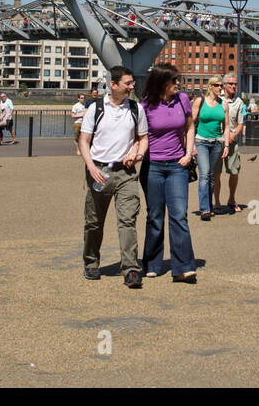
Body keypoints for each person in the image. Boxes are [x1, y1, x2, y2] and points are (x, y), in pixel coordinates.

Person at [78, 66, 148, 287]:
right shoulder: (95, 109)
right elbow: (84, 141)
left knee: (127, 220)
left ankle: (130, 268)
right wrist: (91, 167)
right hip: (99, 171)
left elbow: (143, 138)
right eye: (127, 83)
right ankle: (91, 262)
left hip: (126, 173)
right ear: (114, 85)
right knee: (94, 222)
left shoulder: (136, 109)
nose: (131, 87)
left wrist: (137, 154)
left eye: (132, 83)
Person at [140, 65, 198, 282]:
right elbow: (139, 135)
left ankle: (183, 267)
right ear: (162, 82)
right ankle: (152, 263)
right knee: (155, 217)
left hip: (177, 166)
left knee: (179, 215)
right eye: (174, 80)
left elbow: (190, 127)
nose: (177, 84)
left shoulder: (182, 100)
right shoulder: (145, 105)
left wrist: (189, 153)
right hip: (152, 166)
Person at [192, 76, 228, 221]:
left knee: (212, 176)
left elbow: (226, 127)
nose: (221, 88)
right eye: (218, 85)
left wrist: (226, 145)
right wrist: (191, 145)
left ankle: (209, 205)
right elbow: (191, 123)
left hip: (217, 143)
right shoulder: (199, 102)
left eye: (221, 86)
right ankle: (205, 209)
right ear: (210, 86)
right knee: (205, 173)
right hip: (201, 142)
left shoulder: (224, 104)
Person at [218, 74, 247, 211]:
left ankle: (231, 198)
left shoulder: (239, 102)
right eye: (230, 84)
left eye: (235, 83)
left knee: (234, 171)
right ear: (223, 85)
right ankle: (216, 202)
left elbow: (241, 123)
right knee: (216, 173)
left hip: (232, 141)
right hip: (217, 140)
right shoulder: (217, 100)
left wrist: (234, 135)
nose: (233, 86)